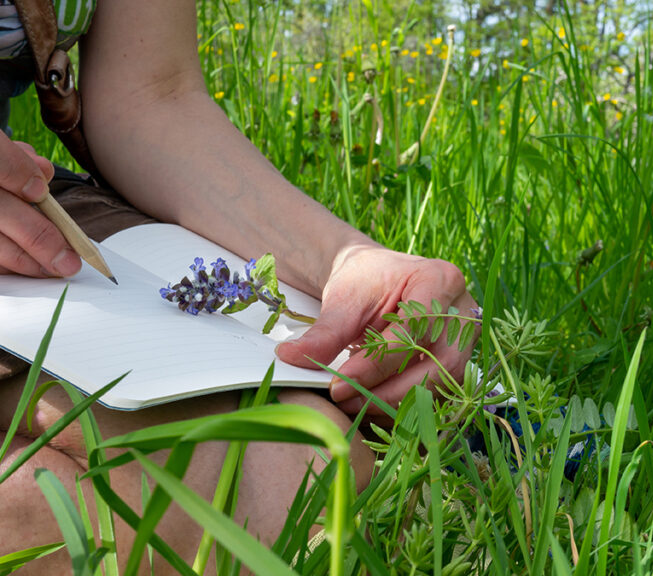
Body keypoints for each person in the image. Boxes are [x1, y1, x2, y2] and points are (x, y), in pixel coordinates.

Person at [0, 1, 477, 573]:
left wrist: (346, 258)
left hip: (30, 202)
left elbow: (152, 95)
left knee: (293, 463)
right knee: (159, 501)